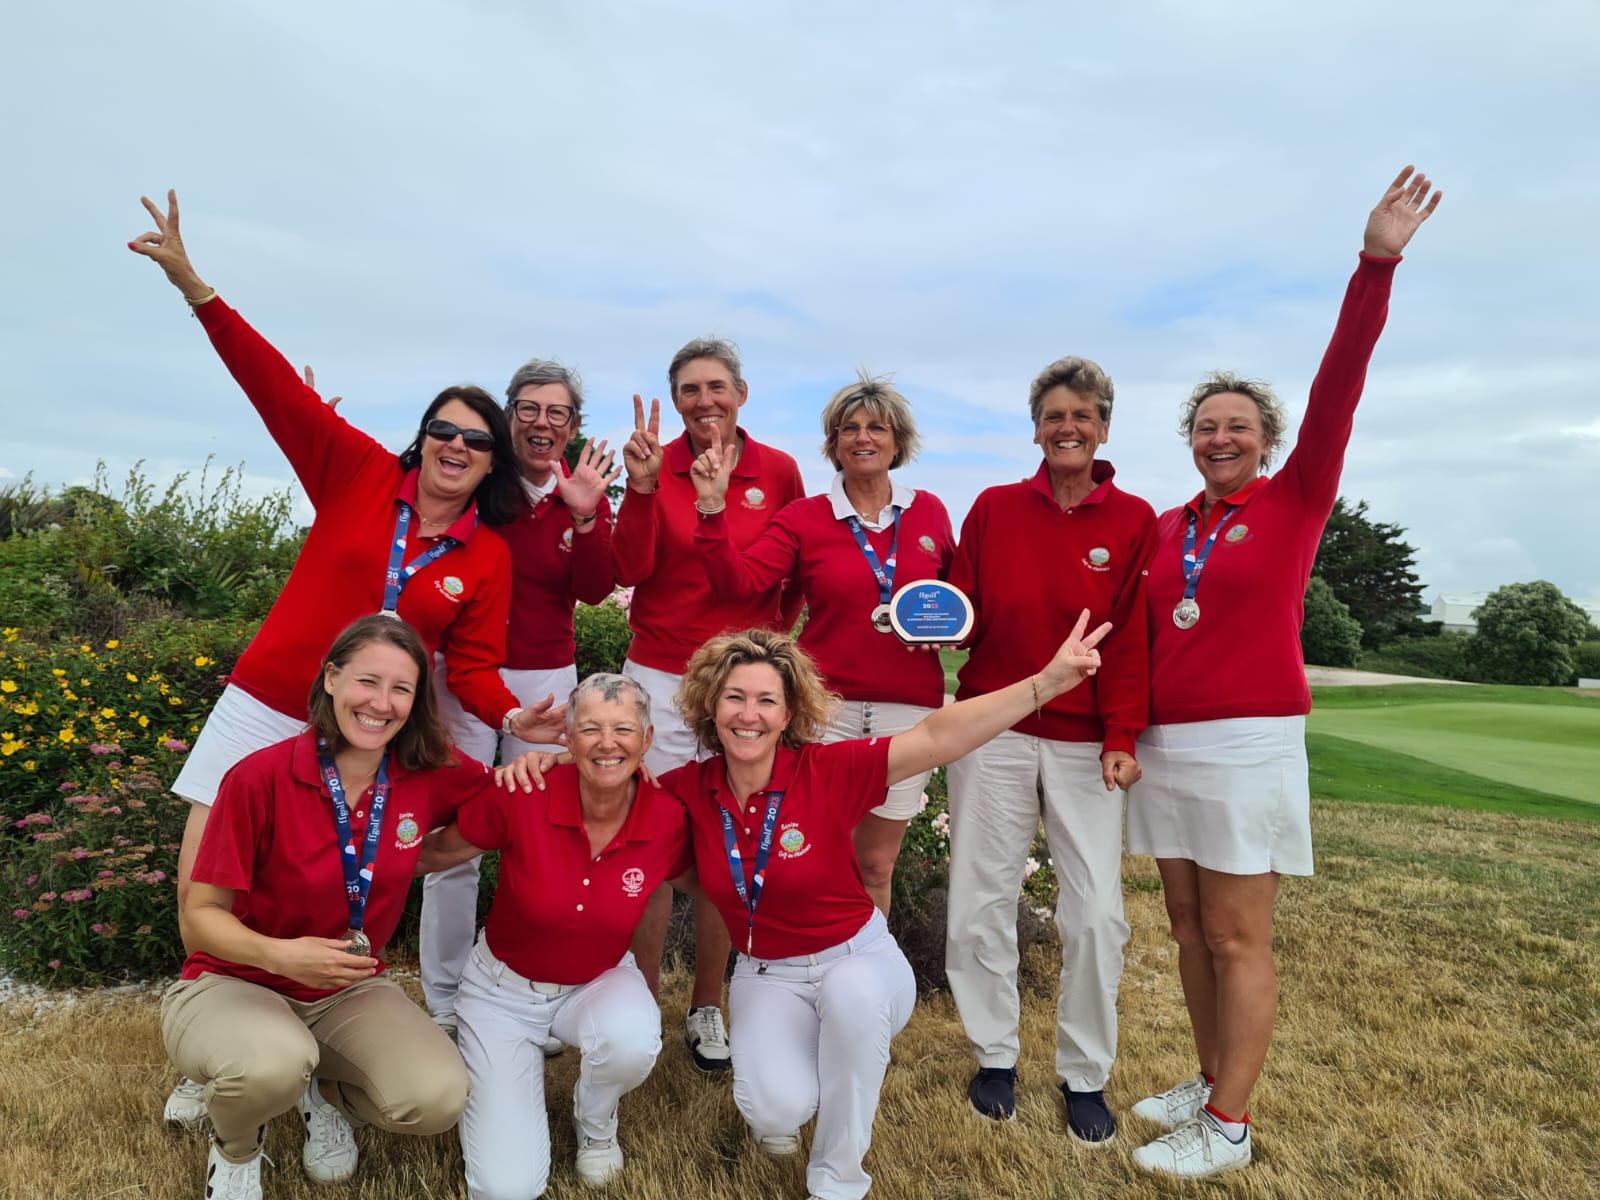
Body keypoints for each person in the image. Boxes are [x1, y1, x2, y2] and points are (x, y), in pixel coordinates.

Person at [128, 190, 567, 1125]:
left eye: (476, 442)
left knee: (339, 879)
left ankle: (322, 1060)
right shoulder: (358, 472)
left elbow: (476, 667)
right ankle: (213, 1043)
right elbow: (272, 387)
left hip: (374, 722)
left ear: (492, 466)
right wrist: (195, 286)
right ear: (423, 438)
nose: (456, 446)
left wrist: (510, 719)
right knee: (208, 881)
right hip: (272, 702)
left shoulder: (484, 556)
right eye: (444, 431)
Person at [1126, 166, 1442, 1178]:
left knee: (1233, 936)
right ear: (1191, 442)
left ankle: (1228, 1123)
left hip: (1246, 739)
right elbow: (1139, 636)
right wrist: (1124, 732)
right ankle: (1209, 1074)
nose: (1220, 438)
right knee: (1183, 926)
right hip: (1167, 745)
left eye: (1237, 427)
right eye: (1205, 427)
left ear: (1266, 442)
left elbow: (1340, 379)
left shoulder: (1295, 498)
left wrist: (1375, 263)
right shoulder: (1167, 527)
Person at [646, 619, 1106, 1200]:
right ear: (712, 707)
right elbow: (609, 797)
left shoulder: (825, 769)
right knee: (774, 1111)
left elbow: (937, 736)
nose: (748, 714)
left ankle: (838, 1180)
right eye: (734, 697)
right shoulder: (687, 788)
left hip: (856, 960)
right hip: (767, 971)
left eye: (767, 700)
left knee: (854, 1002)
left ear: (788, 715)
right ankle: (819, 1058)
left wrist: (1046, 682)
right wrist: (541, 765)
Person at [162, 615, 491, 1199]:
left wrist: (552, 763)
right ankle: (237, 1150)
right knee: (268, 1066)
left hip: (347, 987)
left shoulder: (426, 770)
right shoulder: (259, 776)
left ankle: (323, 1089)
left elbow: (500, 802)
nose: (381, 703)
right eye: (368, 681)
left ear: (416, 702)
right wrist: (281, 956)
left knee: (435, 1097)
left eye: (401, 689)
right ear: (332, 679)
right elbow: (200, 915)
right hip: (236, 978)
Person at [942, 356, 1157, 1142]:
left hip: (1083, 743)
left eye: (1083, 415)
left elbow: (1132, 637)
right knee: (978, 903)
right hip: (993, 726)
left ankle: (1083, 1073)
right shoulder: (995, 507)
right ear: (1035, 427)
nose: (1067, 427)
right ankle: (995, 1055)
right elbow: (957, 609)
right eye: (1053, 415)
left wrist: (1122, 732)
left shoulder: (1134, 520)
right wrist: (914, 612)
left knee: (1096, 914)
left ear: (1103, 427)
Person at [688, 372, 955, 911]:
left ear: (897, 441)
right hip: (824, 709)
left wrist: (952, 630)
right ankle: (803, 968)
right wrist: (712, 509)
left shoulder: (929, 511)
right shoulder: (804, 517)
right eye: (848, 428)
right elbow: (738, 582)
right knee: (812, 855)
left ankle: (872, 983)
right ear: (833, 444)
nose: (863, 438)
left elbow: (959, 599)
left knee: (876, 865)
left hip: (909, 712)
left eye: (877, 427)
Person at [418, 673, 692, 1198]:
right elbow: (435, 854)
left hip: (599, 979)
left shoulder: (667, 817)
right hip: (502, 992)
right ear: (565, 738)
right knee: (506, 1189)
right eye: (589, 729)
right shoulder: (525, 791)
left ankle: (596, 1122)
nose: (607, 743)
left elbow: (718, 884)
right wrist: (342, 880)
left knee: (632, 1041)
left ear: (647, 739)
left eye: (623, 730)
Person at [612, 337, 806, 1072]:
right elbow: (627, 569)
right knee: (653, 844)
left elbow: (794, 569)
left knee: (731, 841)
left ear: (741, 394)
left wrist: (769, 647)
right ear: (675, 399)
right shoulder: (651, 465)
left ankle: (707, 1006)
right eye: (689, 389)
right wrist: (635, 491)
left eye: (717, 386)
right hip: (659, 675)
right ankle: (634, 996)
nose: (704, 401)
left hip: (741, 683)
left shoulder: (777, 471)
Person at [421, 357, 621, 1039]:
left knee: (542, 831)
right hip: (466, 676)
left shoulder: (584, 492)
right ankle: (444, 995)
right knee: (457, 832)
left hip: (549, 679)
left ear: (572, 426)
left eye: (556, 412)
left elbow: (596, 590)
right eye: (528, 408)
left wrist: (589, 519)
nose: (541, 422)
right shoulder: (480, 483)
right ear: (509, 415)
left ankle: (530, 980)